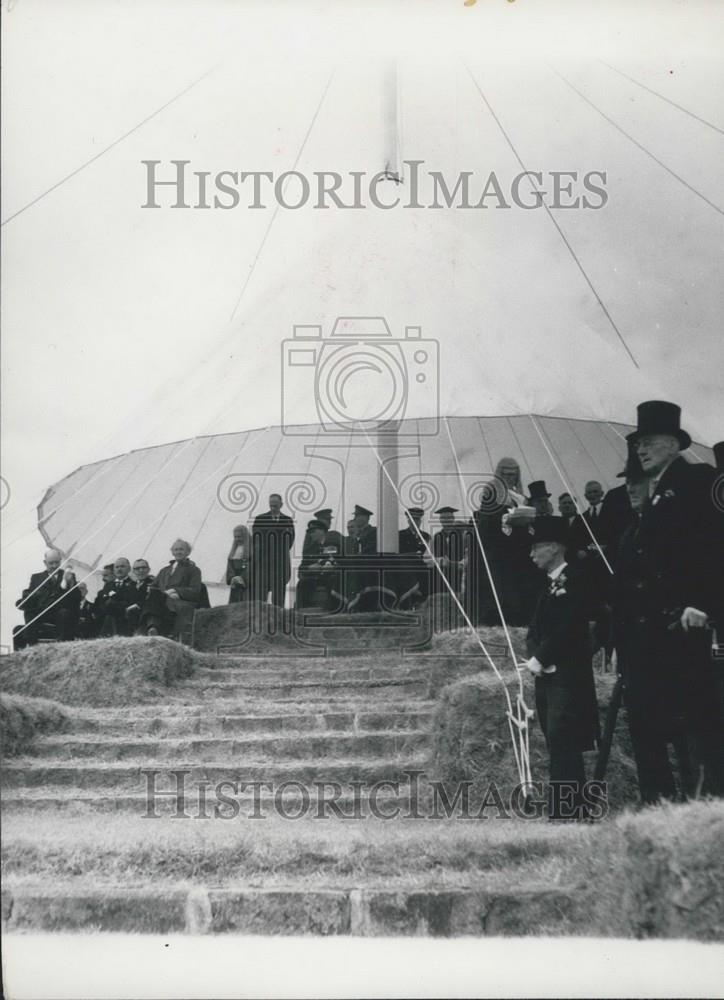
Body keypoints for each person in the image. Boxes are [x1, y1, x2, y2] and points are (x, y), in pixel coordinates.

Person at [612, 400, 723, 800]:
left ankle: (707, 805)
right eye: (639, 442)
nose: (642, 449)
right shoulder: (651, 501)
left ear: (674, 445)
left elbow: (715, 547)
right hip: (649, 633)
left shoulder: (697, 480)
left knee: (696, 721)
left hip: (683, 625)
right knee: (654, 722)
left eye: (651, 442)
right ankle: (659, 804)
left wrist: (705, 602)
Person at [525, 516, 599, 821]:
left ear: (554, 547)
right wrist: (535, 656)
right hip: (549, 673)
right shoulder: (550, 586)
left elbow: (569, 626)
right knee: (557, 737)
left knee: (563, 735)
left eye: (536, 547)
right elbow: (537, 628)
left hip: (567, 673)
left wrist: (541, 656)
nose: (532, 554)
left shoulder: (576, 579)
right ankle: (575, 807)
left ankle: (565, 810)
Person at [467, 458, 542, 626]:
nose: (510, 478)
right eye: (506, 475)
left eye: (513, 475)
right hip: (499, 549)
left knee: (521, 588)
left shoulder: (521, 497)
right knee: (502, 591)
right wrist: (504, 517)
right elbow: (485, 521)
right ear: (500, 475)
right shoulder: (491, 492)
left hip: (519, 548)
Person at [13, 549, 81, 649]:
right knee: (29, 612)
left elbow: (77, 598)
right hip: (42, 611)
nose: (54, 566)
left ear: (60, 561)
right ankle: (31, 645)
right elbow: (31, 596)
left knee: (64, 612)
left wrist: (70, 583)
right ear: (45, 563)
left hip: (59, 612)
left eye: (57, 562)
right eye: (51, 563)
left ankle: (62, 646)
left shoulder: (69, 575)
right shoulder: (36, 577)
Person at [141, 539, 203, 640]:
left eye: (181, 549)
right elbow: (153, 586)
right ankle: (152, 627)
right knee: (150, 600)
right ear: (172, 552)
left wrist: (176, 591)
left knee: (157, 602)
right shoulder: (164, 570)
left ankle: (154, 627)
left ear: (188, 552)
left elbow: (195, 591)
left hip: (181, 601)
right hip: (161, 601)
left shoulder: (194, 570)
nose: (178, 552)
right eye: (176, 549)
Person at [251, 493, 295, 607]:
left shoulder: (288, 520)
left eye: (275, 505)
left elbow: (290, 542)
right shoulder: (260, 519)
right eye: (271, 505)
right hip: (263, 565)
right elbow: (256, 540)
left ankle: (279, 622)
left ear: (281, 505)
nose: (273, 508)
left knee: (279, 602)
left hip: (280, 566)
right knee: (260, 601)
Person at [296, 519, 344, 611]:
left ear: (322, 531)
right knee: (302, 583)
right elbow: (301, 567)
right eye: (310, 532)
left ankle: (332, 610)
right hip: (315, 579)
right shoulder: (310, 549)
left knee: (334, 582)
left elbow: (337, 561)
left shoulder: (334, 544)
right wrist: (309, 568)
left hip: (330, 577)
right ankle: (302, 611)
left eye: (314, 531)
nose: (311, 534)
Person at [397, 507, 431, 610]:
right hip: (407, 570)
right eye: (413, 519)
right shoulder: (400, 535)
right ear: (408, 520)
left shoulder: (426, 536)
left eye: (417, 519)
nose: (415, 522)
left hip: (423, 570)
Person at [96, 557, 137, 637]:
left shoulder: (133, 585)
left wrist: (112, 603)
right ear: (114, 570)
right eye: (117, 567)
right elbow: (102, 603)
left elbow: (130, 603)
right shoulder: (108, 585)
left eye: (122, 566)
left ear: (129, 569)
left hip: (124, 621)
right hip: (108, 621)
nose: (119, 569)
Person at [431, 506, 466, 595]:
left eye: (449, 518)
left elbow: (467, 554)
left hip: (459, 571)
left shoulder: (462, 535)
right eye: (443, 518)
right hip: (442, 573)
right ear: (440, 520)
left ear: (453, 519)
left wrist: (457, 564)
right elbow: (431, 556)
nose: (446, 520)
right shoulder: (436, 536)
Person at [125, 559, 154, 633]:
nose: (141, 570)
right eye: (137, 569)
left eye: (144, 568)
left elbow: (152, 600)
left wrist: (137, 605)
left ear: (149, 569)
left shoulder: (154, 584)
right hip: (128, 617)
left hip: (144, 618)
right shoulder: (130, 585)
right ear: (133, 571)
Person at [225, 524, 252, 604]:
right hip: (235, 582)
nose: (237, 539)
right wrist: (233, 577)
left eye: (239, 537)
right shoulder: (234, 550)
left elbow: (252, 566)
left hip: (246, 582)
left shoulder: (252, 550)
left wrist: (242, 578)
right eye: (235, 537)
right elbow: (230, 565)